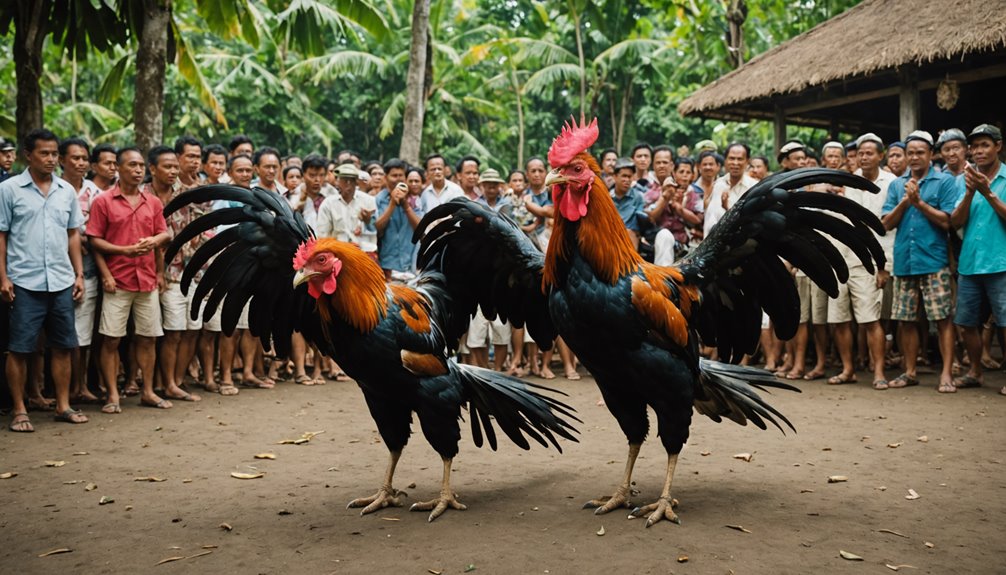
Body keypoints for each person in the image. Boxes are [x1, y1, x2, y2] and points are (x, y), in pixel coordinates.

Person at [1, 129, 88, 431]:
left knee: (64, 346)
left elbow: (73, 234)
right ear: (29, 154)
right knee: (21, 348)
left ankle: (62, 405)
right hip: (24, 280)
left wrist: (78, 274)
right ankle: (20, 409)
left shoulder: (66, 190)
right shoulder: (10, 189)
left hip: (62, 280)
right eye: (44, 153)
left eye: (54, 153)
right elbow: (1, 236)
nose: (51, 159)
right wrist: (3, 277)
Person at [87, 146, 171, 413]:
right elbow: (94, 240)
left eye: (141, 166)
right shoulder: (103, 201)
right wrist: (109, 270)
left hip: (146, 280)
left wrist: (158, 269)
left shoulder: (153, 202)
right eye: (132, 165)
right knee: (111, 339)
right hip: (118, 281)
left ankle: (147, 391)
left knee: (148, 338)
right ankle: (113, 395)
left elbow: (164, 236)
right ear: (118, 169)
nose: (137, 170)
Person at [881, 131, 960, 393]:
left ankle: (946, 374)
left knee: (943, 319)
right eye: (910, 152)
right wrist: (906, 201)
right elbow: (885, 224)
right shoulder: (896, 184)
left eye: (919, 152)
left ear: (931, 154)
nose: (914, 157)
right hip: (904, 260)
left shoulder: (944, 181)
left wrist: (919, 202)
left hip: (934, 260)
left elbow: (948, 221)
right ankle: (910, 371)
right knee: (905, 320)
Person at [826, 133, 895, 390]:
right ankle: (848, 369)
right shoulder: (850, 181)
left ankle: (879, 372)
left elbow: (889, 230)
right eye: (860, 153)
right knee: (839, 318)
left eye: (869, 153)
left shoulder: (892, 183)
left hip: (868, 260)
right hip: (841, 256)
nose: (864, 157)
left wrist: (883, 266)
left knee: (869, 319)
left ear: (880, 155)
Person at [950, 124, 1006, 395]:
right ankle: (975, 371)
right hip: (970, 262)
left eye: (985, 145)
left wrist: (988, 192)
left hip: (1002, 262)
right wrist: (972, 191)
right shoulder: (965, 180)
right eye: (974, 147)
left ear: (998, 146)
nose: (978, 151)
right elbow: (955, 222)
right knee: (965, 322)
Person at [144, 146, 202, 403]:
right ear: (152, 168)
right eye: (167, 166)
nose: (172, 171)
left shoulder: (187, 194)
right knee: (169, 331)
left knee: (190, 329)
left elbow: (199, 228)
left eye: (174, 167)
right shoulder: (143, 195)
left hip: (189, 270)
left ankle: (176, 381)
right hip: (154, 272)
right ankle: (165, 383)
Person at [60, 138, 102, 404]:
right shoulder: (54, 189)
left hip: (87, 269)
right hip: (52, 270)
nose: (81, 163)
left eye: (84, 158)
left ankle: (80, 385)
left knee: (84, 335)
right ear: (62, 159)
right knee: (46, 340)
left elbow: (98, 230)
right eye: (75, 158)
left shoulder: (95, 192)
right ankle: (38, 391)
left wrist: (89, 239)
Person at [466, 169, 513, 370]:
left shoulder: (507, 206)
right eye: (488, 184)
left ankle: (498, 370)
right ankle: (484, 370)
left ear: (499, 186)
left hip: (501, 271)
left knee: (501, 328)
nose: (492, 187)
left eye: (495, 184)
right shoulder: (474, 206)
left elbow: (511, 234)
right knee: (477, 330)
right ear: (482, 186)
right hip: (478, 272)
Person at [374, 159, 420, 280]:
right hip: (387, 264)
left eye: (401, 175)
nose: (398, 179)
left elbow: (421, 229)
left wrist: (406, 205)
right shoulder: (379, 199)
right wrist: (392, 204)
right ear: (386, 177)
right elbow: (377, 228)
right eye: (394, 175)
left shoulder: (414, 199)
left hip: (410, 264)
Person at [318, 163, 377, 253]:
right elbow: (323, 234)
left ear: (356, 182)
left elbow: (377, 229)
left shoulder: (369, 201)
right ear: (338, 181)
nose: (348, 184)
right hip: (338, 253)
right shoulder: (328, 204)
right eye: (345, 180)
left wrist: (368, 221)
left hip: (364, 253)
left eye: (351, 180)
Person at [704, 142, 757, 238]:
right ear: (726, 161)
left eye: (740, 159)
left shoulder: (754, 186)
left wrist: (727, 208)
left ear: (747, 161)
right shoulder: (718, 184)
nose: (735, 163)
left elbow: (752, 220)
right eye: (732, 158)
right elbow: (710, 220)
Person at [610, 157, 644, 249]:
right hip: (608, 237)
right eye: (624, 176)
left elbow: (639, 224)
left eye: (629, 177)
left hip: (630, 239)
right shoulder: (606, 197)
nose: (627, 180)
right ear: (615, 176)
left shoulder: (638, 197)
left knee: (630, 233)